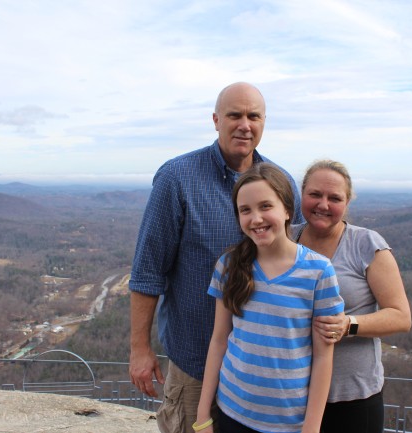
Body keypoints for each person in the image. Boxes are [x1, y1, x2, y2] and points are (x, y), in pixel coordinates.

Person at [128, 82, 303, 433]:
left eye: (253, 116)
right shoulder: (178, 178)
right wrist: (139, 349)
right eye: (234, 115)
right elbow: (148, 271)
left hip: (261, 375)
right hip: (195, 362)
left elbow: (297, 260)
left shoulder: (281, 183)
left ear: (264, 122)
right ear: (215, 120)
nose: (245, 125)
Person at [195, 163, 344, 433]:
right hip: (232, 412)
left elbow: (324, 358)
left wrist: (311, 428)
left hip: (289, 423)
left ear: (287, 210)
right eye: (245, 210)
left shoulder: (319, 272)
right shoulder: (228, 266)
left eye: (266, 206)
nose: (256, 219)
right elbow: (219, 340)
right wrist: (203, 412)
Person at [290, 160, 412, 433]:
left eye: (334, 198)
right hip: (292, 395)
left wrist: (349, 325)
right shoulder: (287, 240)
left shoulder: (367, 244)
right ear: (302, 194)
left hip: (352, 398)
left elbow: (401, 317)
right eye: (315, 194)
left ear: (347, 203)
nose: (323, 204)